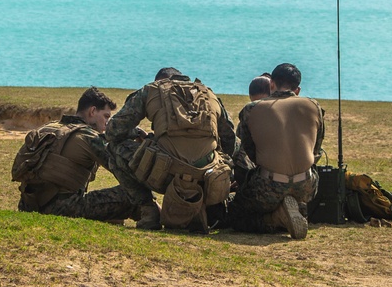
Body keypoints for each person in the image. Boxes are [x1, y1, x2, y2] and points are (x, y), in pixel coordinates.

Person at [105, 67, 239, 232]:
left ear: (159, 81)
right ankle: (209, 207)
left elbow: (113, 130)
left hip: (166, 175)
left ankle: (149, 211)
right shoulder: (209, 94)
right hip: (209, 178)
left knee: (113, 148)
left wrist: (141, 136)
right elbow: (230, 141)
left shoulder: (151, 90)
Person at [228, 62, 325, 239]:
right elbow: (317, 149)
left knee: (235, 214)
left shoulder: (251, 109)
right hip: (307, 185)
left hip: (269, 183)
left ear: (271, 84)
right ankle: (296, 207)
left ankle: (277, 218)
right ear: (298, 90)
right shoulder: (315, 107)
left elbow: (250, 151)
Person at [12, 86, 138, 222]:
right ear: (93, 111)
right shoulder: (88, 136)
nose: (107, 123)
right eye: (106, 116)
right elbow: (123, 167)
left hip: (27, 205)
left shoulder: (49, 127)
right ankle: (158, 220)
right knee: (131, 194)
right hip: (60, 207)